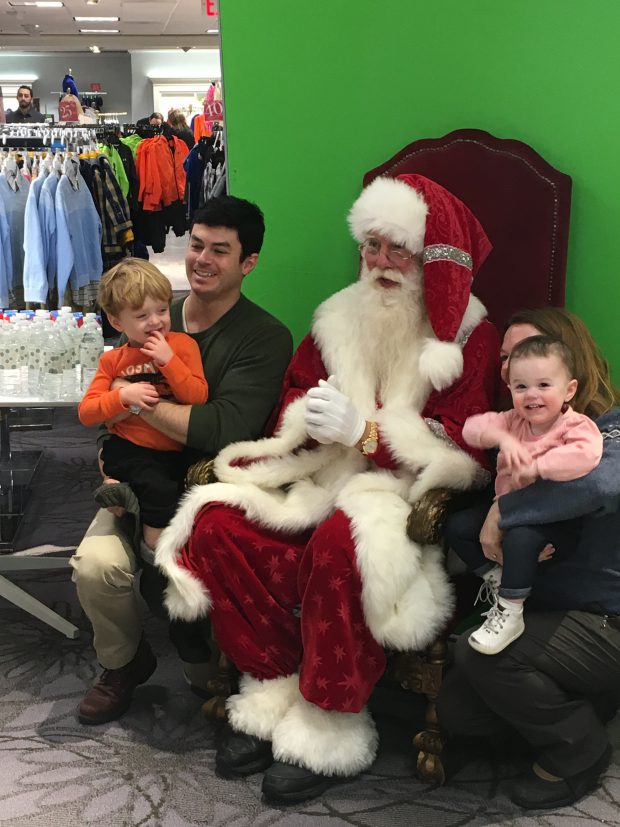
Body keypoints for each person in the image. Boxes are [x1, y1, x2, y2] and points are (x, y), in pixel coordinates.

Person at [155, 174, 500, 804]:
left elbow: (468, 448)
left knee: (347, 544)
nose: (383, 263)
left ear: (429, 258)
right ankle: (272, 681)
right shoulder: (337, 316)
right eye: (372, 247)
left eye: (400, 250)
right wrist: (310, 416)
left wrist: (370, 435)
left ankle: (328, 719)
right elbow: (294, 395)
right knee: (216, 525)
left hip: (395, 493)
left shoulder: (470, 336)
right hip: (321, 477)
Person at [70, 196, 293, 726]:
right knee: (96, 566)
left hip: (211, 490)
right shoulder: (151, 313)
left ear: (249, 262)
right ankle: (123, 663)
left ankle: (199, 653)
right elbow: (99, 406)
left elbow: (222, 427)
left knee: (179, 586)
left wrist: (133, 406)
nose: (202, 259)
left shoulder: (264, 336)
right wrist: (112, 437)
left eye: (221, 250)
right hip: (138, 475)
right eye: (196, 245)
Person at [437, 307, 620, 810]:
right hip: (547, 607)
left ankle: (583, 751)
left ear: (569, 361)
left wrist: (506, 510)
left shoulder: (611, 426)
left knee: (484, 657)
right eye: (507, 358)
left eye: (533, 347)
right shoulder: (521, 425)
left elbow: (599, 484)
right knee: (458, 711)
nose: (516, 364)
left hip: (605, 620)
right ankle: (580, 706)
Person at [449, 335, 602, 655]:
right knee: (458, 527)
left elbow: (585, 456)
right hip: (507, 513)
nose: (532, 395)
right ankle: (496, 576)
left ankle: (510, 611)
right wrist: (503, 440)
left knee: (520, 538)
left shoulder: (576, 426)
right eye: (521, 387)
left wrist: (538, 466)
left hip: (552, 520)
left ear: (568, 390)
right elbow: (472, 429)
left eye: (544, 385)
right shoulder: (512, 421)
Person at [78, 259, 209, 553]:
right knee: (158, 490)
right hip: (129, 448)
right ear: (116, 322)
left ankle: (123, 492)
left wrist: (169, 361)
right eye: (141, 315)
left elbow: (197, 397)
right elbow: (87, 412)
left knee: (181, 491)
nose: (155, 322)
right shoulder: (112, 361)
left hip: (174, 449)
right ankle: (154, 549)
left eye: (162, 310)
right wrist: (123, 398)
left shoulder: (184, 346)